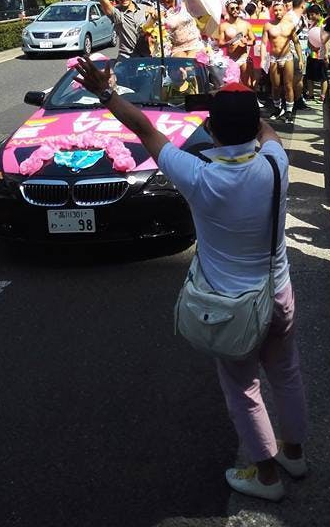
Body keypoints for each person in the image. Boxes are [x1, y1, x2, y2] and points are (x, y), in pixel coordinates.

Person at [73, 61, 307, 502]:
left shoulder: (199, 175)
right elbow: (268, 133)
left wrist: (106, 94)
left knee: (244, 388)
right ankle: (294, 454)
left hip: (231, 306)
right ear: (255, 127)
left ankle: (266, 477)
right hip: (278, 292)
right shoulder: (275, 163)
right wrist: (251, 110)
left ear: (212, 131)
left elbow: (144, 129)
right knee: (286, 373)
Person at [261, 1, 303, 123]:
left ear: (284, 10)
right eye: (275, 10)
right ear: (272, 12)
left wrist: (301, 59)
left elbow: (296, 43)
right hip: (274, 58)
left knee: (288, 85)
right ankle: (277, 108)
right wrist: (263, 59)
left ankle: (289, 111)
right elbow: (263, 43)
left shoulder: (290, 25)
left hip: (287, 57)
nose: (278, 12)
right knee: (275, 86)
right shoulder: (268, 25)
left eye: (280, 10)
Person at [218, 0, 256, 86]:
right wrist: (229, 42)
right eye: (232, 8)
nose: (235, 10)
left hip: (243, 57)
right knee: (232, 84)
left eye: (237, 8)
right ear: (227, 10)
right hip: (232, 59)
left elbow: (253, 40)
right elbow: (220, 43)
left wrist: (247, 42)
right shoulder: (223, 26)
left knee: (247, 85)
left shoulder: (246, 24)